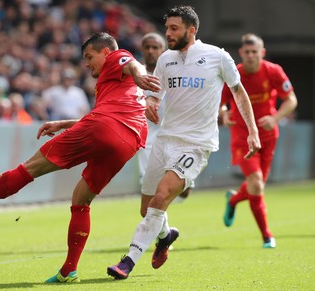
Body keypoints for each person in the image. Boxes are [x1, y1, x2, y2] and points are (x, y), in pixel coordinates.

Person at [0, 32, 160, 283]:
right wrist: (64, 123)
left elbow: (129, 63)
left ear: (104, 52)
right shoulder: (118, 85)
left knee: (30, 168)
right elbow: (107, 116)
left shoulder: (117, 57)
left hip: (106, 127)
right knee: (82, 197)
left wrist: (140, 74)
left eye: (90, 57)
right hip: (129, 142)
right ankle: (69, 270)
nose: (87, 63)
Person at [107, 5, 261, 280]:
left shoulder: (217, 56)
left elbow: (239, 93)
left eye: (173, 28)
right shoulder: (166, 59)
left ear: (191, 30)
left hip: (196, 144)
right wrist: (152, 103)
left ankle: (128, 261)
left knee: (161, 196)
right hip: (165, 140)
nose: (168, 33)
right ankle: (166, 236)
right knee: (147, 208)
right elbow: (157, 93)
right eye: (167, 28)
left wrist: (252, 131)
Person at [220, 33, 298, 248]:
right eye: (247, 52)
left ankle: (234, 200)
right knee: (256, 182)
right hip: (242, 136)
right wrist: (224, 113)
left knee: (258, 185)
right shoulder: (234, 73)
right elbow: (222, 101)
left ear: (262, 53)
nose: (251, 56)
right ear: (241, 53)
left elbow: (291, 99)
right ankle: (267, 236)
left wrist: (275, 118)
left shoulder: (273, 71)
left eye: (255, 52)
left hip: (268, 136)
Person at [138, 32, 190, 204]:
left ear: (163, 50)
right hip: (146, 141)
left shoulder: (174, 73)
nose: (151, 51)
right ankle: (161, 229)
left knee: (183, 192)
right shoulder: (136, 76)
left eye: (155, 47)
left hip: (175, 135)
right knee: (151, 191)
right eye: (147, 47)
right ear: (142, 50)